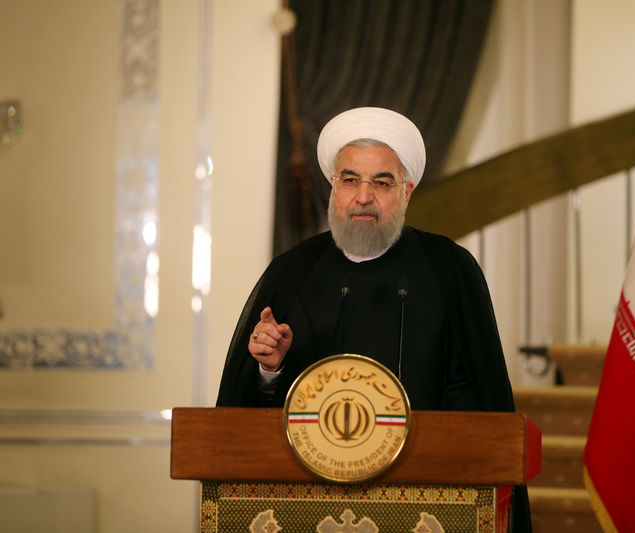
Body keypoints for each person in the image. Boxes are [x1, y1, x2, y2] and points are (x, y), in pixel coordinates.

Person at [216, 107, 531, 531]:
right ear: (333, 187)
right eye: (350, 180)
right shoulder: (293, 271)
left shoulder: (449, 269)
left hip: (422, 504)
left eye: (382, 182)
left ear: (407, 192)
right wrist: (269, 368)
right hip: (308, 505)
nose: (363, 196)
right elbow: (242, 416)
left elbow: (475, 399)